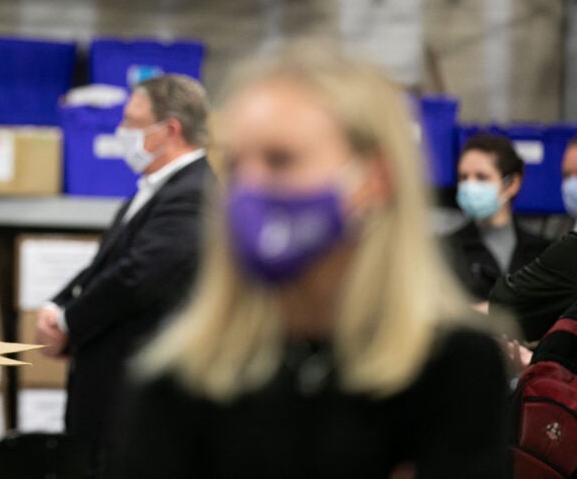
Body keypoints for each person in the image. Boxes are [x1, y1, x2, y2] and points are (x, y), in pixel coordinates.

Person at [112, 43, 509, 477]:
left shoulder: (456, 371)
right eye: (237, 164)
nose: (250, 188)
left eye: (281, 160)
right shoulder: (180, 377)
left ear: (374, 178)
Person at [34, 74, 214, 478]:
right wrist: (57, 305)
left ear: (169, 130)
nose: (121, 132)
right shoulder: (153, 189)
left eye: (132, 122)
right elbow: (106, 265)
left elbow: (137, 277)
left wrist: (68, 323)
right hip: (108, 405)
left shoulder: (193, 194)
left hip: (137, 408)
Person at [489, 136, 577, 342]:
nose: (572, 184)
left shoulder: (568, 251)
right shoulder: (558, 236)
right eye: (566, 175)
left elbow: (508, 304)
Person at [443, 134, 550, 300]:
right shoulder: (444, 250)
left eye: (481, 177)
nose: (469, 186)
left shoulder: (543, 253)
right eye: (463, 177)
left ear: (512, 183)